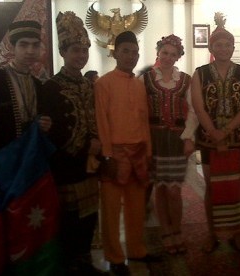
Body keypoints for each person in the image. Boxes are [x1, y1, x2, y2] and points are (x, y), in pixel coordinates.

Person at [39, 12, 104, 275]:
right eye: (76, 50)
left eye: (85, 51)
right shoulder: (51, 87)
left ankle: (85, 261)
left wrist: (98, 143)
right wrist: (81, 145)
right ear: (64, 52)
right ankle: (69, 266)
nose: (81, 56)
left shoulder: (90, 85)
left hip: (91, 163)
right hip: (67, 165)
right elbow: (51, 131)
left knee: (89, 217)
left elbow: (97, 117)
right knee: (70, 219)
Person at [94, 31, 160, 276]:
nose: (131, 56)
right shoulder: (103, 83)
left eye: (134, 52)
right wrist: (108, 156)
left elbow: (144, 122)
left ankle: (137, 250)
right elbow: (102, 121)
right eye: (125, 51)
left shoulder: (139, 84)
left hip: (139, 154)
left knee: (136, 208)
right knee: (111, 210)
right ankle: (114, 256)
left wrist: (149, 154)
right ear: (115, 53)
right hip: (115, 154)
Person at [191, 16, 240, 253]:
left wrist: (225, 131)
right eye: (218, 44)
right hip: (208, 139)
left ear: (233, 47)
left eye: (227, 44)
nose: (223, 48)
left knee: (235, 184)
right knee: (211, 186)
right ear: (211, 48)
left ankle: (238, 232)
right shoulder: (200, 73)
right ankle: (212, 233)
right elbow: (198, 106)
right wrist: (214, 133)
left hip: (238, 138)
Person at [141, 34, 197, 254]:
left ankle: (177, 230)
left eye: (173, 54)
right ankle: (166, 231)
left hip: (175, 140)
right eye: (165, 52)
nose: (168, 57)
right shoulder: (145, 79)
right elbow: (138, 111)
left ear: (178, 57)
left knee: (174, 190)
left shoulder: (185, 79)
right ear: (158, 52)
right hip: (154, 140)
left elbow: (193, 111)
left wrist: (189, 137)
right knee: (161, 188)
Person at [0, 20, 52, 200]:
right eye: (23, 45)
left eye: (35, 45)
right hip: (0, 167)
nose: (30, 51)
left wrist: (44, 125)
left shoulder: (39, 85)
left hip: (30, 167)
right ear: (12, 46)